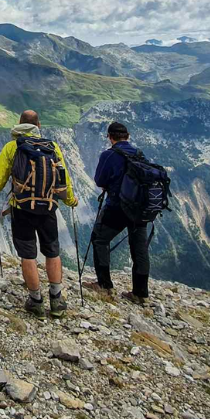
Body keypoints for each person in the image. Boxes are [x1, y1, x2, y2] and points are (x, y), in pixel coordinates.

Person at [0, 110, 77, 318]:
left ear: (18, 124)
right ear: (39, 125)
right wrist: (71, 200)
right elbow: (65, 180)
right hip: (48, 209)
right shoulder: (52, 147)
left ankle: (36, 301)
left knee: (28, 255)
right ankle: (56, 299)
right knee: (52, 252)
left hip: (22, 209)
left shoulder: (11, 147)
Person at [87, 121, 150, 305]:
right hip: (140, 208)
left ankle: (104, 286)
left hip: (117, 207)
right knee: (139, 248)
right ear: (128, 136)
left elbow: (99, 180)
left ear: (110, 137)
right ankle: (140, 293)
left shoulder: (109, 154)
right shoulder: (139, 153)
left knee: (100, 239)